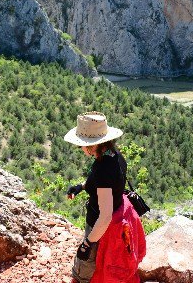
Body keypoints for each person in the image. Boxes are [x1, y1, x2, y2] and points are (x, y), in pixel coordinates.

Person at [64, 112, 146, 283]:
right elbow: (110, 185)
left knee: (87, 266)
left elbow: (105, 215)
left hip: (103, 225)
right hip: (122, 211)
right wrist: (82, 186)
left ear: (92, 146)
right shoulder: (115, 155)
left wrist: (87, 244)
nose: (81, 148)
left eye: (82, 145)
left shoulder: (103, 169)